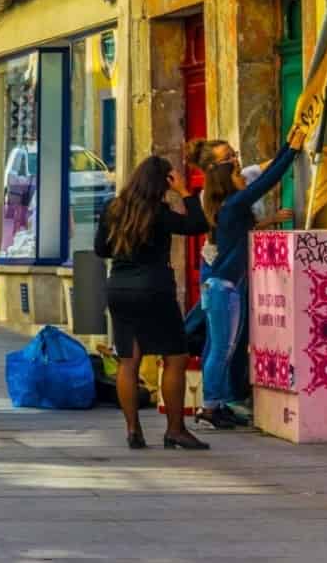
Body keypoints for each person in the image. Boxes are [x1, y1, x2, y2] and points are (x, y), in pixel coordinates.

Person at [96, 154, 211, 450]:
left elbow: (101, 249)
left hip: (119, 288)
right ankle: (175, 430)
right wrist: (186, 193)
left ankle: (133, 429)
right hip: (154, 289)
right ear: (163, 183)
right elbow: (197, 226)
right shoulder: (158, 212)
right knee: (175, 357)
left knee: (128, 360)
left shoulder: (114, 208)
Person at [196, 123, 306, 429]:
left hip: (221, 285)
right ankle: (210, 407)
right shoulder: (233, 205)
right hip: (222, 288)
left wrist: (289, 143)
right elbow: (268, 180)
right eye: (234, 168)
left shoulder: (227, 205)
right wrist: (293, 149)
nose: (241, 172)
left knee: (221, 347)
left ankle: (215, 403)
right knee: (222, 349)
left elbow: (263, 175)